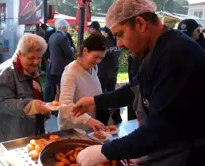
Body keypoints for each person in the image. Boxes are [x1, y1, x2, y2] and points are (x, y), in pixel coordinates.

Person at [73, 0, 205, 165]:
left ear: (140, 23)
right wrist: (95, 101)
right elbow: (134, 89)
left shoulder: (176, 55)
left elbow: (160, 129)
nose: (119, 44)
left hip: (186, 156)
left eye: (120, 34)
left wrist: (106, 151)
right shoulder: (156, 49)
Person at [0, 33, 52, 147]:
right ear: (20, 54)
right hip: (5, 135)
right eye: (31, 58)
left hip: (26, 132)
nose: (36, 62)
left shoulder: (30, 71)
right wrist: (31, 106)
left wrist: (43, 109)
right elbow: (3, 103)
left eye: (39, 58)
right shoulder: (7, 72)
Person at [58, 33, 108, 131]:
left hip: (89, 129)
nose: (98, 61)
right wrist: (88, 120)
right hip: (73, 130)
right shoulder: (71, 73)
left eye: (101, 58)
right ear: (85, 51)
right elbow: (64, 106)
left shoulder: (93, 68)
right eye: (96, 57)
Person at [98, 26, 122, 125]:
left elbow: (100, 57)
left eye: (102, 31)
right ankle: (116, 117)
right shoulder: (117, 42)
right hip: (113, 73)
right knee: (112, 95)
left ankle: (104, 118)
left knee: (103, 96)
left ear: (106, 33)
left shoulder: (104, 43)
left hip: (103, 73)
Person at [47, 18, 74, 103]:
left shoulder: (52, 36)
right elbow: (69, 53)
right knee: (62, 89)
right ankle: (60, 106)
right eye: (67, 27)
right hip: (61, 68)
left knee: (54, 89)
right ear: (65, 27)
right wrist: (72, 49)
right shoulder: (63, 37)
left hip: (53, 67)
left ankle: (54, 105)